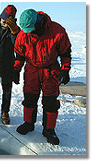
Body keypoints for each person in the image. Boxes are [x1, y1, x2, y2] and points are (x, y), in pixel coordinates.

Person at [13, 9, 72, 145]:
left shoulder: (57, 31)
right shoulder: (23, 34)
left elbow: (65, 53)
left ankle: (49, 130)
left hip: (50, 70)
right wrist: (16, 69)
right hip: (32, 70)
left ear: (38, 23)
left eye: (30, 28)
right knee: (29, 98)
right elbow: (20, 55)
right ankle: (28, 123)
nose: (28, 32)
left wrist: (65, 69)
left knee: (50, 101)